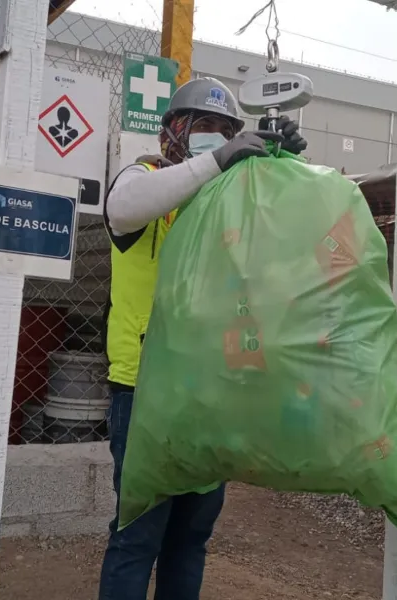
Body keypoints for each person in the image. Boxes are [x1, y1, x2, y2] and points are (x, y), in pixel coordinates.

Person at [99, 77, 307, 600]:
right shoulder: (144, 178)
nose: (215, 138)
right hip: (145, 391)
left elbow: (287, 238)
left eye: (225, 131)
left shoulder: (229, 200)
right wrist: (219, 160)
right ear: (174, 131)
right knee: (137, 535)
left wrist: (284, 165)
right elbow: (122, 209)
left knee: (190, 538)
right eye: (204, 127)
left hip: (210, 390)